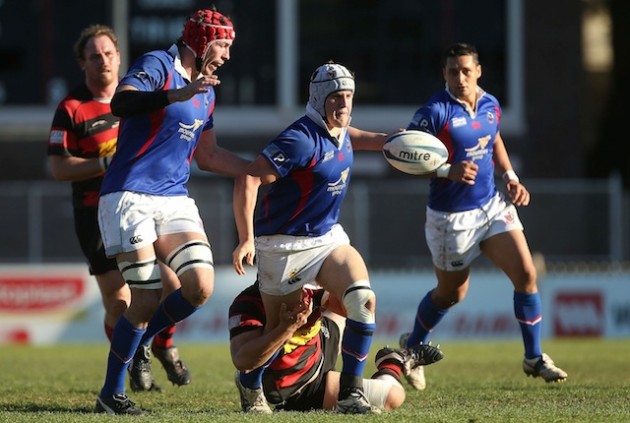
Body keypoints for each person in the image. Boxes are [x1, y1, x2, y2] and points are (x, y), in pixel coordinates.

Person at [93, 7, 250, 415]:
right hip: (128, 194)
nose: (229, 56)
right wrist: (173, 94)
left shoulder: (208, 90)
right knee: (144, 298)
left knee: (199, 286)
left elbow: (209, 155)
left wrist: (258, 170)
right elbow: (120, 104)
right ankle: (112, 393)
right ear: (201, 41)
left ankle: (144, 343)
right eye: (224, 45)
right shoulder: (158, 64)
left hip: (173, 197)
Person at [399, 42, 568, 391]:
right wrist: (448, 171)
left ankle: (533, 356)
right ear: (444, 74)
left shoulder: (490, 104)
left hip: (491, 206)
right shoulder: (434, 112)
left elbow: (494, 140)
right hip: (451, 219)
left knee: (526, 274)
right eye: (452, 71)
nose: (459, 77)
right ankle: (412, 347)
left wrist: (511, 177)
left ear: (478, 71)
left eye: (465, 70)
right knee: (451, 294)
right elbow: (406, 159)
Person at [232, 61, 394, 414]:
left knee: (362, 299)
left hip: (326, 238)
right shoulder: (299, 139)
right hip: (283, 245)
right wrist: (246, 239)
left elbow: (358, 138)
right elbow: (248, 178)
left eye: (349, 96)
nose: (344, 104)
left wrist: (393, 142)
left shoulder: (341, 130)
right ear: (319, 98)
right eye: (336, 97)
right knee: (283, 327)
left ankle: (351, 392)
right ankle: (249, 382)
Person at [47, 24, 191, 393]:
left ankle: (161, 344)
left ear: (119, 57)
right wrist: (104, 164)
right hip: (96, 212)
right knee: (120, 299)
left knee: (174, 283)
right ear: (83, 63)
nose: (103, 61)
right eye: (95, 56)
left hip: (142, 202)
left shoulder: (137, 97)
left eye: (109, 53)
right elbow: (58, 167)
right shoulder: (72, 107)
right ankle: (129, 368)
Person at [229, 281, 444, 413]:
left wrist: (350, 296)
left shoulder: (307, 288)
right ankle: (394, 361)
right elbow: (243, 359)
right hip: (304, 384)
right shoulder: (246, 303)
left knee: (351, 305)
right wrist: (286, 328)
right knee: (394, 396)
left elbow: (352, 309)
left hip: (320, 344)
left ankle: (390, 358)